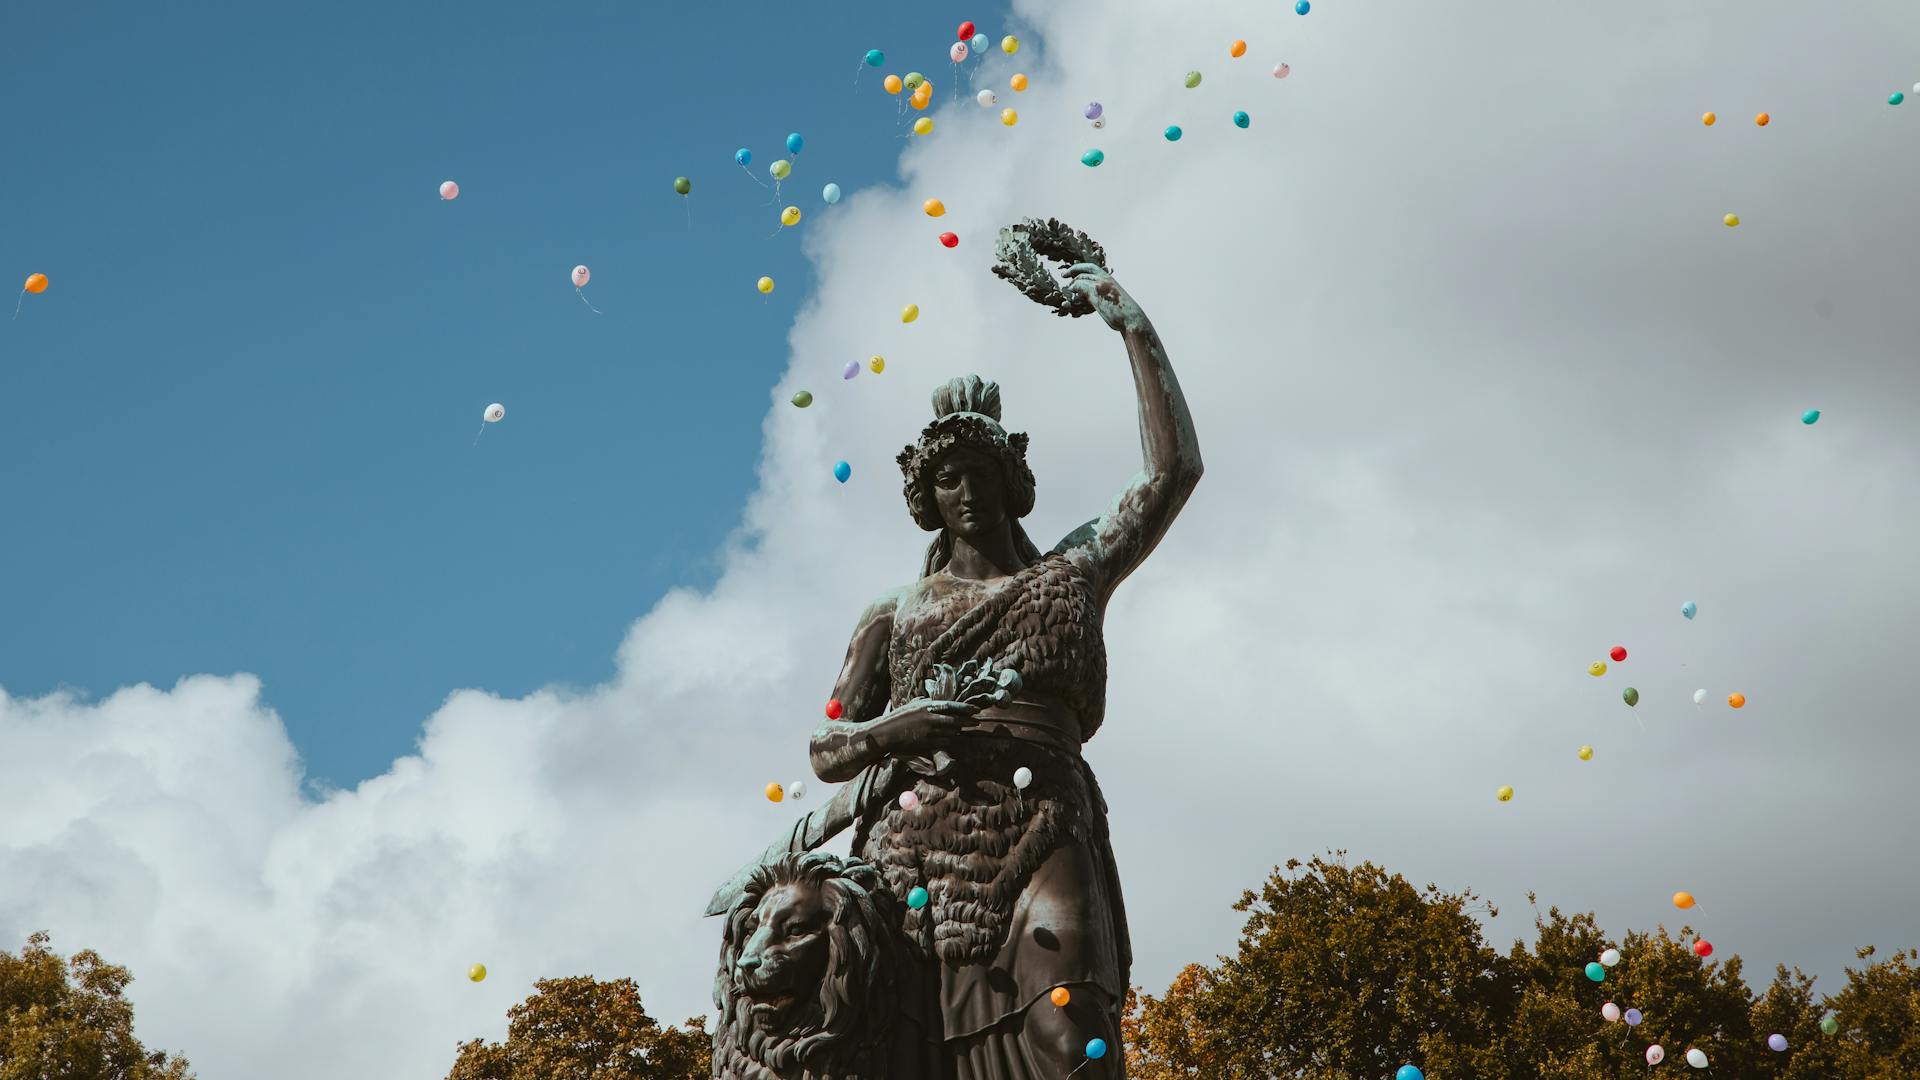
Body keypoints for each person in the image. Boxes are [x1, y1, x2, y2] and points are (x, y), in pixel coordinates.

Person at [808, 262, 1202, 1079]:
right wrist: (899, 729)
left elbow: (1172, 473)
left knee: (1074, 1025)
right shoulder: (895, 611)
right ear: (928, 494)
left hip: (1044, 816)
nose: (966, 492)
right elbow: (827, 750)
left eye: (980, 473)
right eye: (947, 478)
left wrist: (1132, 327)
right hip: (919, 845)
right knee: (910, 1055)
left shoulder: (1070, 572)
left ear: (1009, 480)